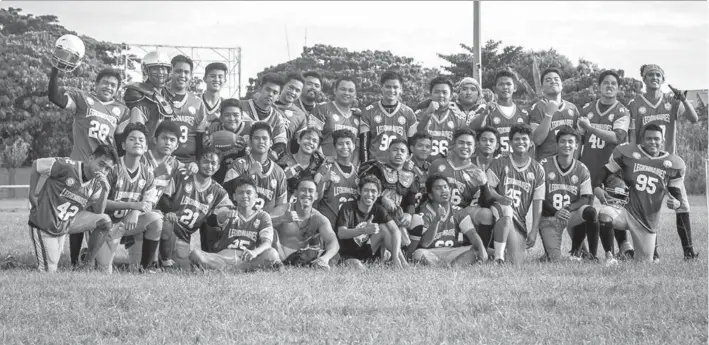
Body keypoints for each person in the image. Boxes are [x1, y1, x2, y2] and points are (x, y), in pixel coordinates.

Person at [47, 66, 129, 267]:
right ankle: (75, 261)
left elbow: (119, 142)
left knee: (100, 214)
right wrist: (55, 73)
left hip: (105, 170)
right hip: (80, 168)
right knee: (75, 211)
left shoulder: (122, 110)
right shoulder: (83, 99)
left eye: (113, 85)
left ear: (117, 88)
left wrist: (118, 169)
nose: (108, 87)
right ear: (96, 83)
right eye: (105, 82)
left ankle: (95, 260)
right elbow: (56, 97)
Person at [627, 64, 700, 260]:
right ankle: (654, 253)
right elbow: (633, 137)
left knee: (682, 205)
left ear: (663, 78)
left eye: (658, 75)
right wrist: (635, 161)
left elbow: (694, 119)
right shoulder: (635, 104)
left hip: (670, 163)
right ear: (643, 78)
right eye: (650, 74)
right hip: (647, 163)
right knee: (650, 208)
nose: (654, 77)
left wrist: (683, 99)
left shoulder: (671, 102)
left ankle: (689, 252)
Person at [594, 124, 687, 261]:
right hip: (626, 212)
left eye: (656, 139)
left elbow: (675, 190)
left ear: (662, 140)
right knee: (605, 213)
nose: (652, 142)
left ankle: (627, 254)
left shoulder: (673, 163)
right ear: (643, 139)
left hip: (647, 221)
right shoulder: (630, 154)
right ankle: (610, 257)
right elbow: (606, 169)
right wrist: (596, 187)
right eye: (649, 138)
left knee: (644, 263)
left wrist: (677, 202)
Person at [27, 145, 118, 272]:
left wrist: (105, 191)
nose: (103, 171)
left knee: (105, 221)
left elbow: (98, 213)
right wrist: (32, 193)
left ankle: (86, 265)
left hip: (67, 221)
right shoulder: (68, 166)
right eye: (101, 164)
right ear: (91, 158)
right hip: (46, 221)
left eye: (108, 169)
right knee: (49, 270)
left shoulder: (97, 183)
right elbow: (37, 165)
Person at [537, 127, 612, 263]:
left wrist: (568, 208)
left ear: (576, 145)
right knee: (554, 260)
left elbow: (586, 198)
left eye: (570, 142)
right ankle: (549, 253)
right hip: (550, 217)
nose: (567, 145)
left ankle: (591, 256)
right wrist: (555, 212)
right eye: (563, 141)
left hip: (571, 216)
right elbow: (538, 196)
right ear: (557, 144)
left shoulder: (582, 168)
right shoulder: (544, 165)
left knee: (589, 211)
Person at [101, 123, 163, 272]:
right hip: (104, 224)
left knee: (156, 219)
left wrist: (135, 212)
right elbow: (100, 203)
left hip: (128, 224)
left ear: (146, 147)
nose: (137, 142)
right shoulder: (113, 168)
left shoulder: (148, 173)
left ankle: (147, 268)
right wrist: (132, 207)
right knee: (103, 270)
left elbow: (147, 203)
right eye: (132, 139)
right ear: (123, 145)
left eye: (141, 140)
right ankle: (89, 255)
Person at [158, 148, 233, 269]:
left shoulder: (219, 192)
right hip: (169, 227)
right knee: (166, 225)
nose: (209, 166)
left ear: (218, 167)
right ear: (197, 162)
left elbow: (219, 215)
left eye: (213, 163)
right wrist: (169, 212)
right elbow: (163, 198)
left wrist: (224, 215)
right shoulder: (182, 175)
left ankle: (214, 258)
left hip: (184, 237)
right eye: (205, 161)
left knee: (183, 267)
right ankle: (160, 258)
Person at [189, 177, 282, 272]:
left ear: (256, 196)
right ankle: (239, 270)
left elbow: (267, 243)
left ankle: (228, 270)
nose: (244, 196)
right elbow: (218, 216)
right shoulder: (229, 211)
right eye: (240, 193)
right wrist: (225, 215)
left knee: (272, 254)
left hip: (247, 259)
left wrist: (255, 252)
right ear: (234, 196)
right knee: (195, 254)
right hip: (223, 258)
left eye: (249, 192)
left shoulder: (263, 216)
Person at [486, 124, 545, 264]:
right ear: (510, 142)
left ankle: (489, 251)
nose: (520, 142)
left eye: (524, 139)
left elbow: (538, 203)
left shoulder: (537, 169)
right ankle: (496, 255)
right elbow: (488, 190)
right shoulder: (499, 163)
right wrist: (500, 197)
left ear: (531, 143)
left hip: (519, 221)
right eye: (516, 139)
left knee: (515, 262)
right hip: (497, 216)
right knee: (506, 209)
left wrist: (534, 230)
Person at [428, 128, 495, 251]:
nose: (465, 147)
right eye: (461, 143)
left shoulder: (476, 171)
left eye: (469, 144)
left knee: (486, 214)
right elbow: (427, 193)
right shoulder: (438, 164)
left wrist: (484, 184)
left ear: (475, 148)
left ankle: (481, 251)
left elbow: (485, 204)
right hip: (438, 211)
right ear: (453, 144)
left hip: (462, 214)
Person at [408, 174, 488, 266]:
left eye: (445, 187)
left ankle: (450, 266)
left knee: (476, 249)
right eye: (438, 188)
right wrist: (436, 220)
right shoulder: (424, 213)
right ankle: (450, 266)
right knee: (419, 254)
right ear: (430, 195)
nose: (444, 191)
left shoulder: (458, 211)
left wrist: (482, 250)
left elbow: (472, 234)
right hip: (432, 253)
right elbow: (425, 243)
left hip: (453, 252)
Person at [334, 175, 402, 268]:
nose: (369, 194)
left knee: (384, 228)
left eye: (373, 191)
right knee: (357, 266)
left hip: (368, 251)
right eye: (366, 190)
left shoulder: (378, 209)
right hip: (348, 255)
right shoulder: (348, 207)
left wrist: (395, 256)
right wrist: (364, 230)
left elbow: (396, 231)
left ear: (379, 194)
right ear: (359, 191)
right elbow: (341, 233)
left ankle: (400, 263)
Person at [223, 122, 288, 217]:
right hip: (239, 221)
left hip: (265, 224)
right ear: (250, 141)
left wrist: (265, 220)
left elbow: (281, 206)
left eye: (264, 138)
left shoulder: (279, 172)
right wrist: (248, 173)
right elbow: (225, 192)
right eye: (257, 138)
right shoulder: (238, 164)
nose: (261, 141)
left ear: (271, 143)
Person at [272, 178, 340, 269]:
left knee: (334, 256)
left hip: (301, 256)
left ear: (316, 196)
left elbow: (333, 241)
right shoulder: (283, 210)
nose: (307, 194)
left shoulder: (319, 218)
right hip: (279, 254)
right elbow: (260, 224)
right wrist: (282, 218)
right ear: (296, 193)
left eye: (310, 191)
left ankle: (318, 264)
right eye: (303, 190)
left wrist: (325, 258)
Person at [359, 71, 417, 163]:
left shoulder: (409, 113)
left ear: (401, 89)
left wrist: (408, 164)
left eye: (395, 87)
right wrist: (365, 165)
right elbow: (364, 144)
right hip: (376, 165)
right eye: (388, 86)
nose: (392, 90)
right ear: (381, 87)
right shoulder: (369, 111)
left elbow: (412, 145)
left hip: (399, 166)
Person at [159, 55, 208, 163]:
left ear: (191, 76)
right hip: (161, 160)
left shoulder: (197, 102)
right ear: (170, 73)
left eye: (186, 72)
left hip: (188, 162)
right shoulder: (158, 96)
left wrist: (197, 163)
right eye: (178, 71)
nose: (182, 75)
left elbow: (199, 137)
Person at [468, 70, 530, 156]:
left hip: (516, 164)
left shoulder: (524, 113)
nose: (505, 87)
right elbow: (471, 128)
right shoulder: (486, 110)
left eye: (508, 84)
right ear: (495, 89)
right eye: (501, 84)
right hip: (493, 165)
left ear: (515, 88)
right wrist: (485, 114)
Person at [123, 51, 174, 146]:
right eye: (155, 69)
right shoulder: (137, 92)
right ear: (146, 70)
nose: (161, 73)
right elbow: (136, 131)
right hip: (145, 150)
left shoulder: (168, 95)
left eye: (164, 68)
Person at [415, 76, 470, 162]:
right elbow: (416, 135)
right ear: (430, 94)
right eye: (436, 92)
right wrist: (428, 114)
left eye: (444, 92)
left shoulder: (459, 118)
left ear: (451, 96)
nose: (441, 95)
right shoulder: (419, 114)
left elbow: (463, 144)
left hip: (449, 166)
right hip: (423, 165)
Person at [530, 67, 580, 161]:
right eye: (548, 80)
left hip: (568, 164)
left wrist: (574, 162)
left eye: (556, 79)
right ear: (542, 88)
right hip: (546, 163)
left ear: (561, 84)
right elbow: (537, 140)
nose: (553, 81)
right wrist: (549, 115)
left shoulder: (572, 108)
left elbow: (578, 139)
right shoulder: (538, 107)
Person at [240, 73, 289, 161]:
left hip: (260, 162)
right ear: (260, 88)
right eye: (268, 89)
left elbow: (281, 144)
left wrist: (274, 153)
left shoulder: (277, 117)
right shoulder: (240, 106)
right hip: (235, 158)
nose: (270, 94)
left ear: (278, 96)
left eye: (275, 92)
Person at [315, 129, 360, 225]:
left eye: (348, 143)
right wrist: (323, 180)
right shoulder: (326, 167)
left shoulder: (358, 173)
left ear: (353, 146)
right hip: (327, 226)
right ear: (335, 147)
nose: (344, 147)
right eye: (340, 143)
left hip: (348, 227)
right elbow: (316, 198)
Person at [313, 76, 362, 164]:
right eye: (343, 89)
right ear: (335, 90)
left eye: (351, 91)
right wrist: (322, 160)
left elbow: (358, 147)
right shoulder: (322, 109)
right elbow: (312, 138)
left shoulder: (358, 116)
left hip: (348, 171)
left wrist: (353, 168)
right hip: (324, 166)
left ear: (355, 94)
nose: (347, 93)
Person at [205, 98, 251, 185]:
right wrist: (209, 148)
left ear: (242, 117)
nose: (232, 118)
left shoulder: (249, 129)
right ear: (221, 118)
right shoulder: (214, 129)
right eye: (227, 115)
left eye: (236, 115)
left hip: (243, 177)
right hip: (218, 175)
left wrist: (247, 149)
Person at [276, 127, 326, 201]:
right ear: (299, 140)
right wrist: (284, 177)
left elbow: (318, 197)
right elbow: (271, 186)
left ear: (317, 147)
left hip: (306, 208)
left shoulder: (319, 164)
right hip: (283, 206)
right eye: (308, 138)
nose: (310, 142)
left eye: (315, 141)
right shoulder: (283, 160)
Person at [274, 72, 309, 154]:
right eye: (291, 87)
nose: (293, 92)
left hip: (282, 160)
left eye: (297, 90)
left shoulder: (300, 115)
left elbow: (298, 144)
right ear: (283, 86)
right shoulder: (268, 104)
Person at [405, 132, 433, 210]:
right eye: (420, 146)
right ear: (412, 148)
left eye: (427, 147)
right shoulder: (404, 166)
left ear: (431, 151)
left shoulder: (432, 168)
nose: (424, 149)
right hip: (406, 211)